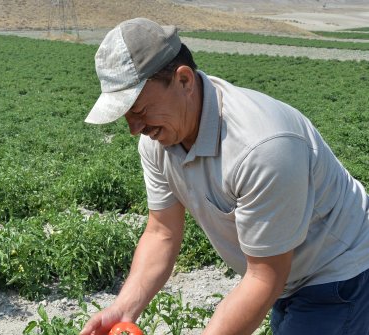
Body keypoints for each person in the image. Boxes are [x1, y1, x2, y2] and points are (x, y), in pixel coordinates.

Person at [79, 18, 369, 335]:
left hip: (340, 274)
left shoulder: (262, 147)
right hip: (285, 274)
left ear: (184, 81)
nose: (134, 128)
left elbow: (265, 276)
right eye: (126, 116)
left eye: (138, 109)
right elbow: (162, 231)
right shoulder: (158, 139)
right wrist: (123, 309)